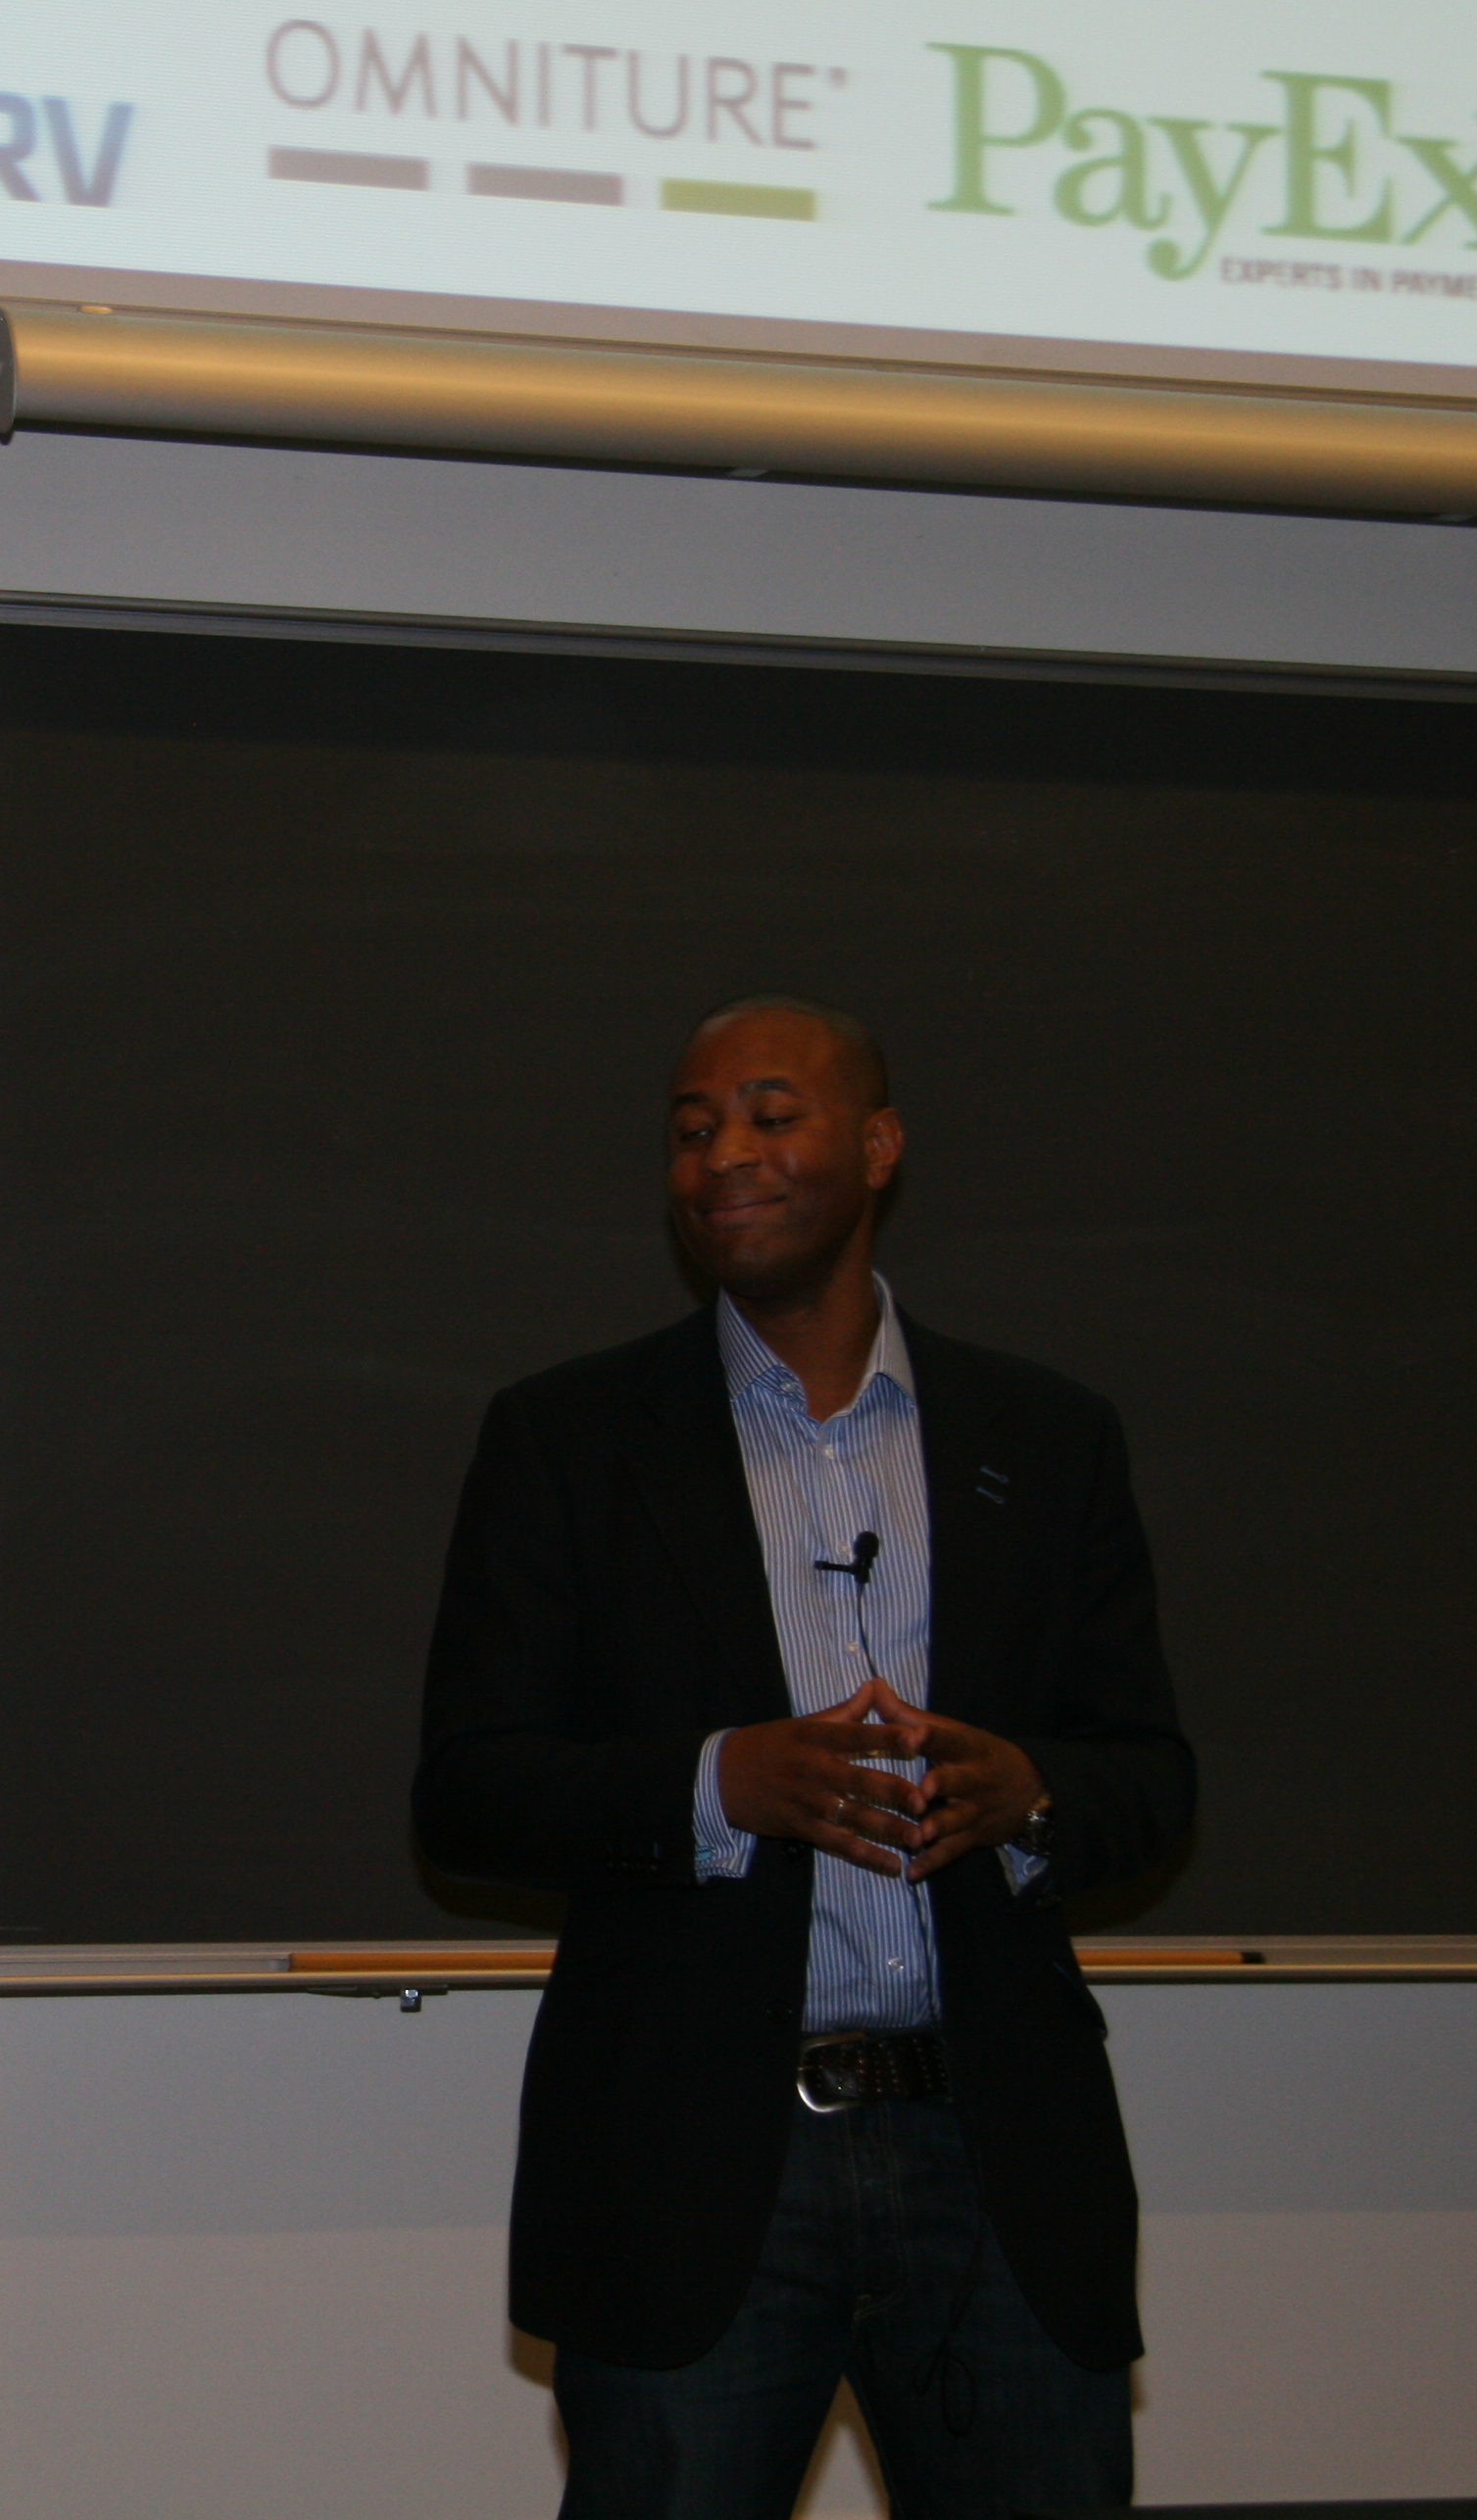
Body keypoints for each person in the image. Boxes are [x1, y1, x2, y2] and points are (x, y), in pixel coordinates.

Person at [417, 995, 1195, 2520]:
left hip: (998, 2164)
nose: (724, 1155)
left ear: (880, 1145)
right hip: (694, 2170)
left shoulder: (1048, 1437)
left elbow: (1153, 1778)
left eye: (772, 1115)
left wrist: (1028, 1795)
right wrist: (722, 1784)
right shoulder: (569, 1438)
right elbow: (468, 1790)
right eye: (692, 1128)